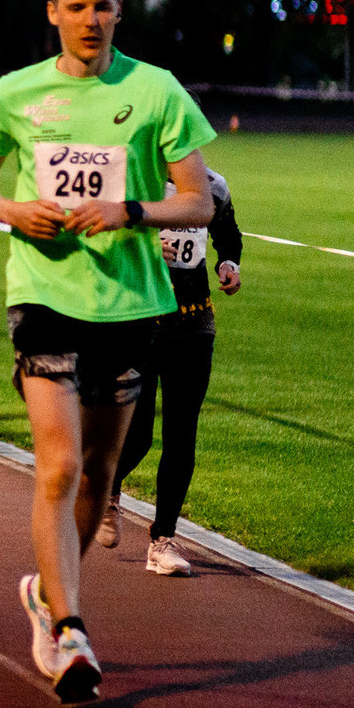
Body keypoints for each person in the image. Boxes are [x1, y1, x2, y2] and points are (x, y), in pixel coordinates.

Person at [0, 0, 217, 704]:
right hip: (43, 293)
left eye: (101, 6)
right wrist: (13, 211)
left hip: (131, 302)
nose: (90, 19)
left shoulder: (154, 90)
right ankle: (70, 627)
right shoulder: (17, 93)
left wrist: (129, 210)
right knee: (60, 465)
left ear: (118, 11)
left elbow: (197, 201)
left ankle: (44, 589)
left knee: (101, 476)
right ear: (53, 12)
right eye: (76, 6)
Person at [113, 168, 242, 574]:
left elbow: (227, 232)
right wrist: (149, 249)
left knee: (182, 436)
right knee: (136, 436)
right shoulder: (132, 181)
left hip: (193, 325)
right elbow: (100, 242)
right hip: (138, 322)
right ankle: (106, 487)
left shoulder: (214, 185)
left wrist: (229, 263)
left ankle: (162, 541)